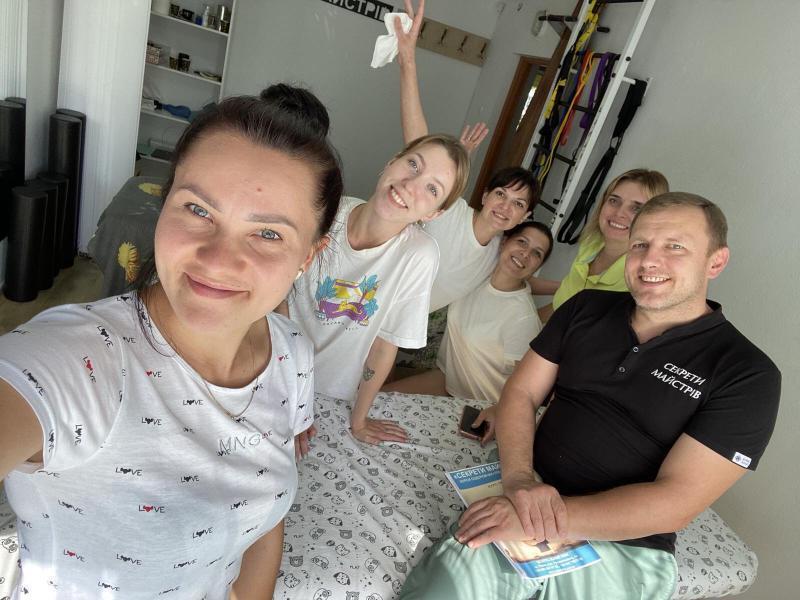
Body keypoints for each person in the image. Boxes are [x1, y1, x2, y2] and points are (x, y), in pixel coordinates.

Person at [0, 87, 343, 598]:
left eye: (269, 234)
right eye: (199, 210)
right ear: (164, 206)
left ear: (308, 256)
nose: (217, 259)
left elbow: (265, 512)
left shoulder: (292, 353)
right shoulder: (81, 360)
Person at [400, 192, 781, 600]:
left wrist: (541, 519)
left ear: (715, 261)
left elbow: (676, 502)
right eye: (640, 244)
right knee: (446, 586)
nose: (650, 261)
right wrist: (520, 481)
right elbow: (522, 392)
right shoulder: (585, 308)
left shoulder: (747, 374)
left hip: (626, 544)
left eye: (675, 247)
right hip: (527, 489)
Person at [288, 134, 470, 446]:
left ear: (434, 214)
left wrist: (359, 421)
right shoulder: (325, 210)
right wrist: (288, 399)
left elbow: (386, 345)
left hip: (334, 395)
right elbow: (277, 302)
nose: (411, 185)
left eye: (432, 189)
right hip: (274, 375)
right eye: (413, 164)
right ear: (391, 162)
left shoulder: (418, 255)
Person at [395, 0, 538, 312]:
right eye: (501, 194)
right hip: (370, 303)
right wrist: (407, 61)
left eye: (518, 204)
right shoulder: (450, 210)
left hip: (402, 329)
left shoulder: (499, 253)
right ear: (484, 195)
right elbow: (418, 144)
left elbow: (523, 280)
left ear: (525, 217)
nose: (505, 207)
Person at [385, 221, 554, 444]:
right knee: (379, 402)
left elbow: (529, 391)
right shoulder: (478, 274)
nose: (525, 254)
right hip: (448, 382)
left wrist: (499, 413)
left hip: (484, 408)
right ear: (504, 242)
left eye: (536, 253)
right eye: (522, 242)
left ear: (538, 265)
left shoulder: (522, 318)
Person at [534, 168, 668, 321]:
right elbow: (560, 306)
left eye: (636, 208)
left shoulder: (640, 281)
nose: (619, 213)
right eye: (614, 201)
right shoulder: (590, 244)